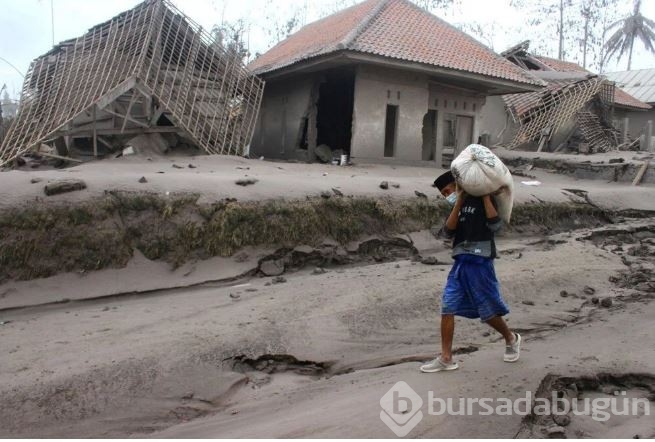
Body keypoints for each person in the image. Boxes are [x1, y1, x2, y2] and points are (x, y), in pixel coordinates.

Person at [420, 171, 520, 373]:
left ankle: (511, 338)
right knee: (447, 306)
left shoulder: (483, 198)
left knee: (488, 312)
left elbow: (494, 224)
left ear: (456, 185)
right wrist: (458, 202)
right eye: (444, 194)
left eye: (448, 191)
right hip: (460, 264)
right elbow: (448, 232)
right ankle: (446, 358)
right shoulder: (458, 205)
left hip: (481, 263)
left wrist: (484, 195)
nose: (447, 196)